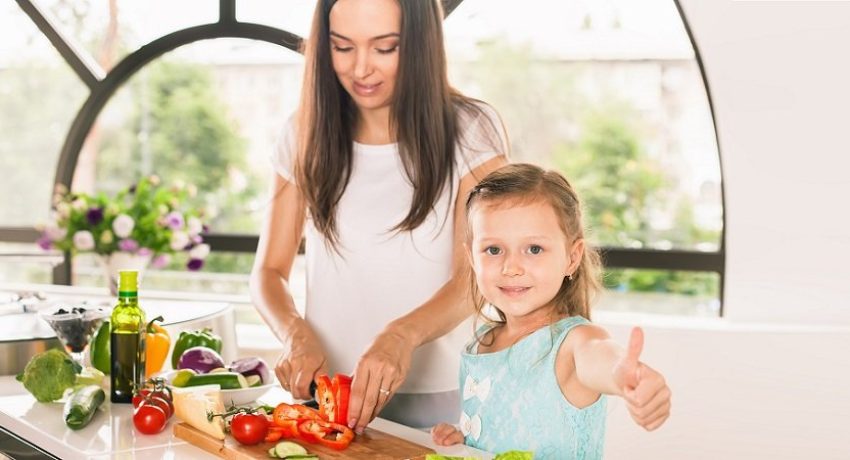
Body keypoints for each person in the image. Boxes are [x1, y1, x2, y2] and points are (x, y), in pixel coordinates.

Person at [250, 0, 508, 432]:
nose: (361, 68)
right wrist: (294, 333)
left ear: (421, 43)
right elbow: (268, 272)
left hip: (438, 401)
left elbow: (476, 278)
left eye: (385, 47)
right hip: (329, 396)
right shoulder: (302, 133)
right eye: (342, 47)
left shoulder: (471, 129)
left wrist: (401, 336)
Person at [430, 164, 672, 458]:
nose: (511, 267)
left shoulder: (574, 343)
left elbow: (599, 355)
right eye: (493, 250)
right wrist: (466, 438)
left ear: (572, 257)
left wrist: (623, 375)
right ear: (472, 258)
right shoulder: (481, 343)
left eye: (534, 249)